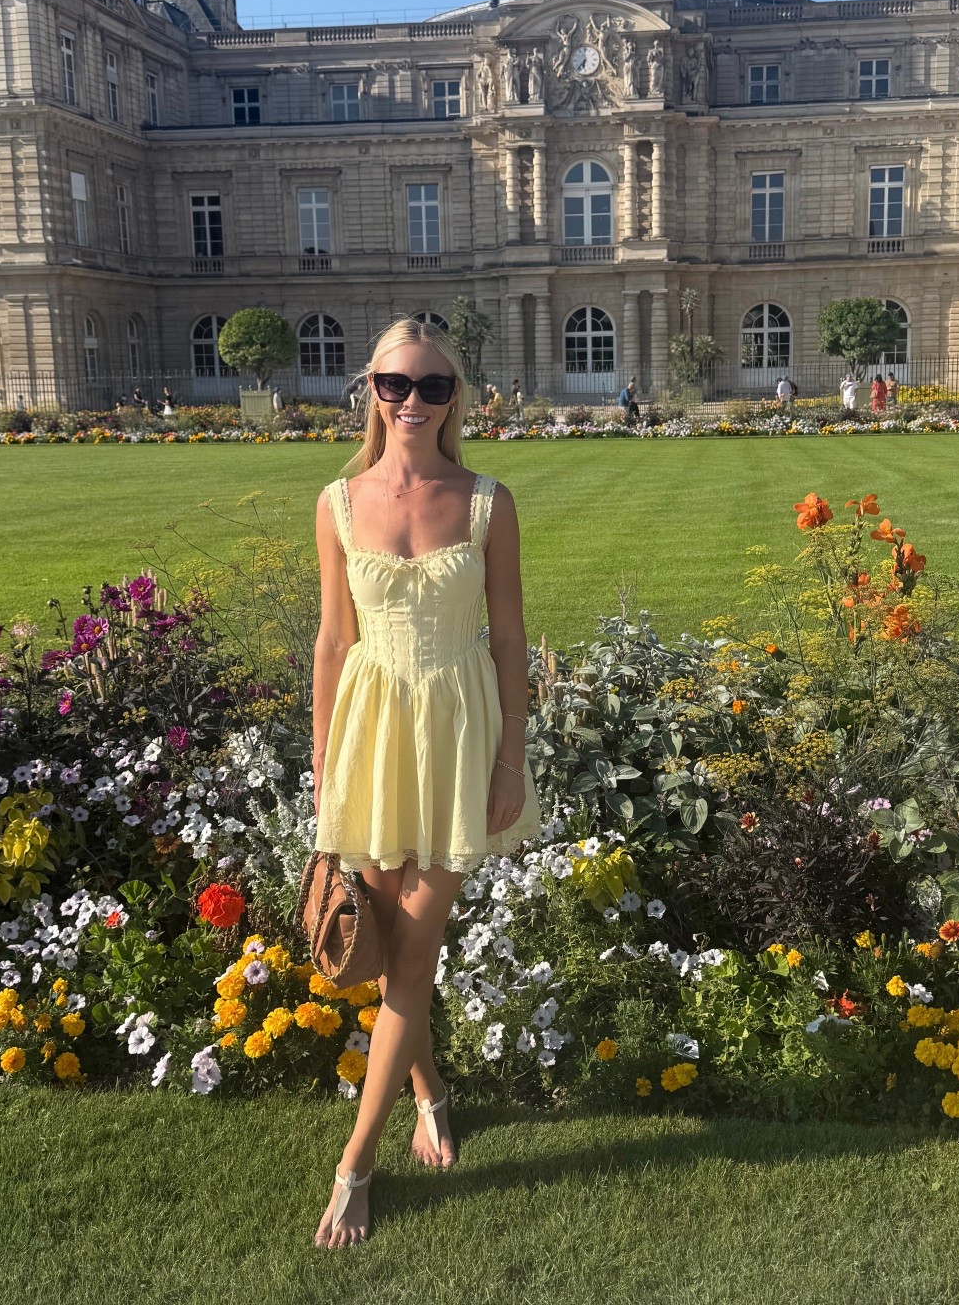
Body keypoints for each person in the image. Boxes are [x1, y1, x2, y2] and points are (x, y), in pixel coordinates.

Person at [311, 317, 539, 1248]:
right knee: (386, 943)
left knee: (414, 948)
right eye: (394, 384)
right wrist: (322, 762)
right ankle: (432, 1093)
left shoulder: (487, 501)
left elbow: (513, 639)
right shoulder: (335, 500)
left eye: (432, 386)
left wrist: (511, 758)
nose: (411, 401)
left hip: (456, 733)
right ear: (369, 389)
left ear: (459, 398)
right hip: (367, 735)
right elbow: (332, 642)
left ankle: (353, 1167)